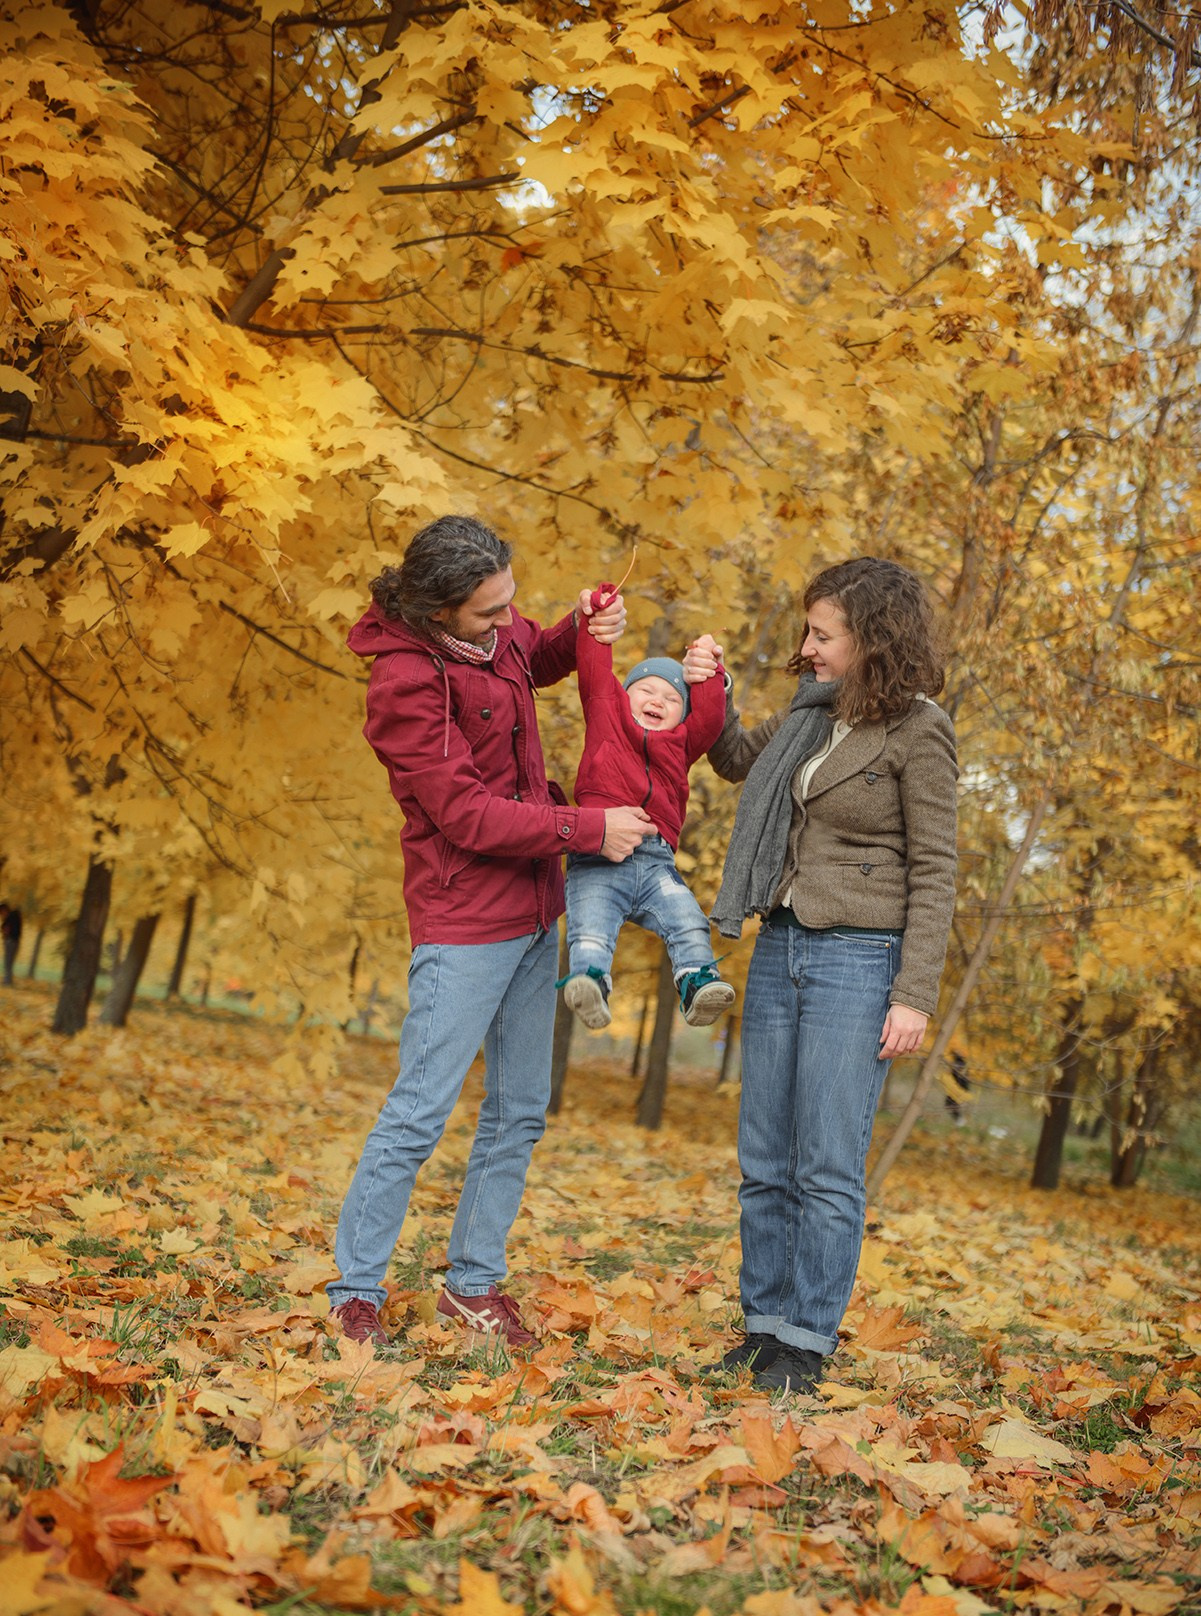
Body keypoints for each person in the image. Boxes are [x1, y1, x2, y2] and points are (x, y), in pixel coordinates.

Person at [326, 516, 656, 1351]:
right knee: (419, 1113)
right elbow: (463, 812)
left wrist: (578, 627)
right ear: (438, 610)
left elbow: (533, 658)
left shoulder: (495, 633)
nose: (506, 622)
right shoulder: (403, 682)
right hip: (465, 920)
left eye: (510, 602)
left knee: (519, 1111)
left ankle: (473, 1286)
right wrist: (586, 829)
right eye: (487, 612)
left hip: (536, 908)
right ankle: (354, 1291)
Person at [688, 557, 958, 1395]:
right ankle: (763, 1323)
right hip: (782, 942)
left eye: (821, 634)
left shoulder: (918, 729)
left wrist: (913, 994)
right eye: (807, 631)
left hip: (859, 959)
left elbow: (936, 868)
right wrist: (710, 687)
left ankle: (805, 1338)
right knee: (764, 1154)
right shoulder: (810, 712)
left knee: (826, 1164)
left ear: (870, 640)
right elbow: (732, 758)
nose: (806, 648)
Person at [561, 616, 736, 1030]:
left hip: (656, 863)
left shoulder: (681, 745)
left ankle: (697, 982)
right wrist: (595, 624)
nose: (658, 700)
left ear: (681, 716)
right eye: (646, 690)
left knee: (687, 919)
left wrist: (708, 668)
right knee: (591, 923)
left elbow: (710, 718)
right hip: (599, 856)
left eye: (672, 699)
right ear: (624, 697)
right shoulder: (607, 721)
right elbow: (594, 672)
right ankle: (589, 981)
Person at [1, 903, 21, 986]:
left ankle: (7, 981)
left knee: (8, 961)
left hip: (10, 941)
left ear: (5, 910)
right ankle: (8, 980)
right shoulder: (15, 916)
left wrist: (5, 934)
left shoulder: (10, 918)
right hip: (14, 941)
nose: (1, 915)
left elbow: (6, 929)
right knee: (9, 962)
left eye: (1, 913)